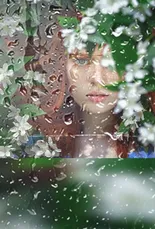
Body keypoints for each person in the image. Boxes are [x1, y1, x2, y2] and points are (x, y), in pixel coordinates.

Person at [20, 9, 154, 159]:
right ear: (61, 66)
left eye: (112, 62)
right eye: (81, 60)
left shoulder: (149, 150)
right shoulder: (36, 151)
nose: (97, 78)